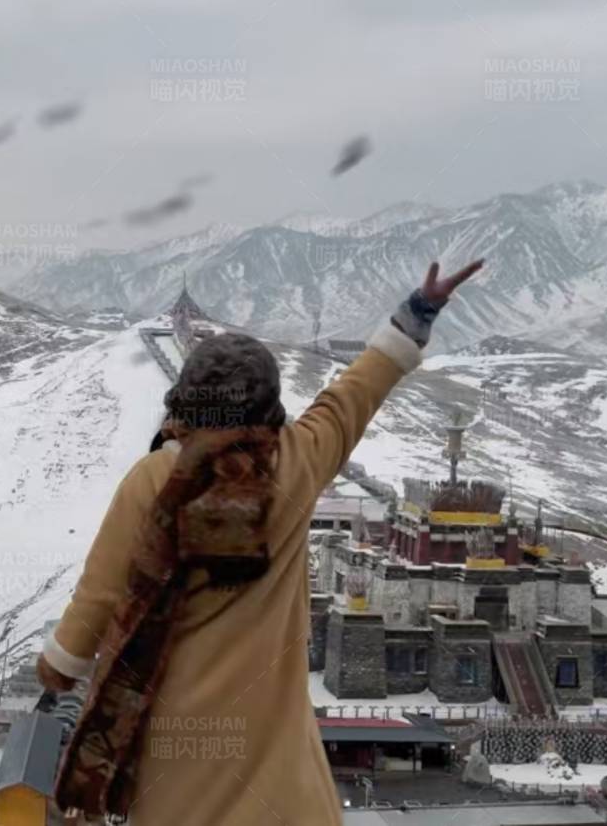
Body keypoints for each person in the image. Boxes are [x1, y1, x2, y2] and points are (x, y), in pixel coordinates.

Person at [37, 261, 484, 825]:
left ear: (188, 400)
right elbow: (356, 391)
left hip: (179, 761)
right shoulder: (297, 463)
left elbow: (98, 599)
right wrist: (419, 310)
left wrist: (61, 667)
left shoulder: (151, 482)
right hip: (282, 777)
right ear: (267, 405)